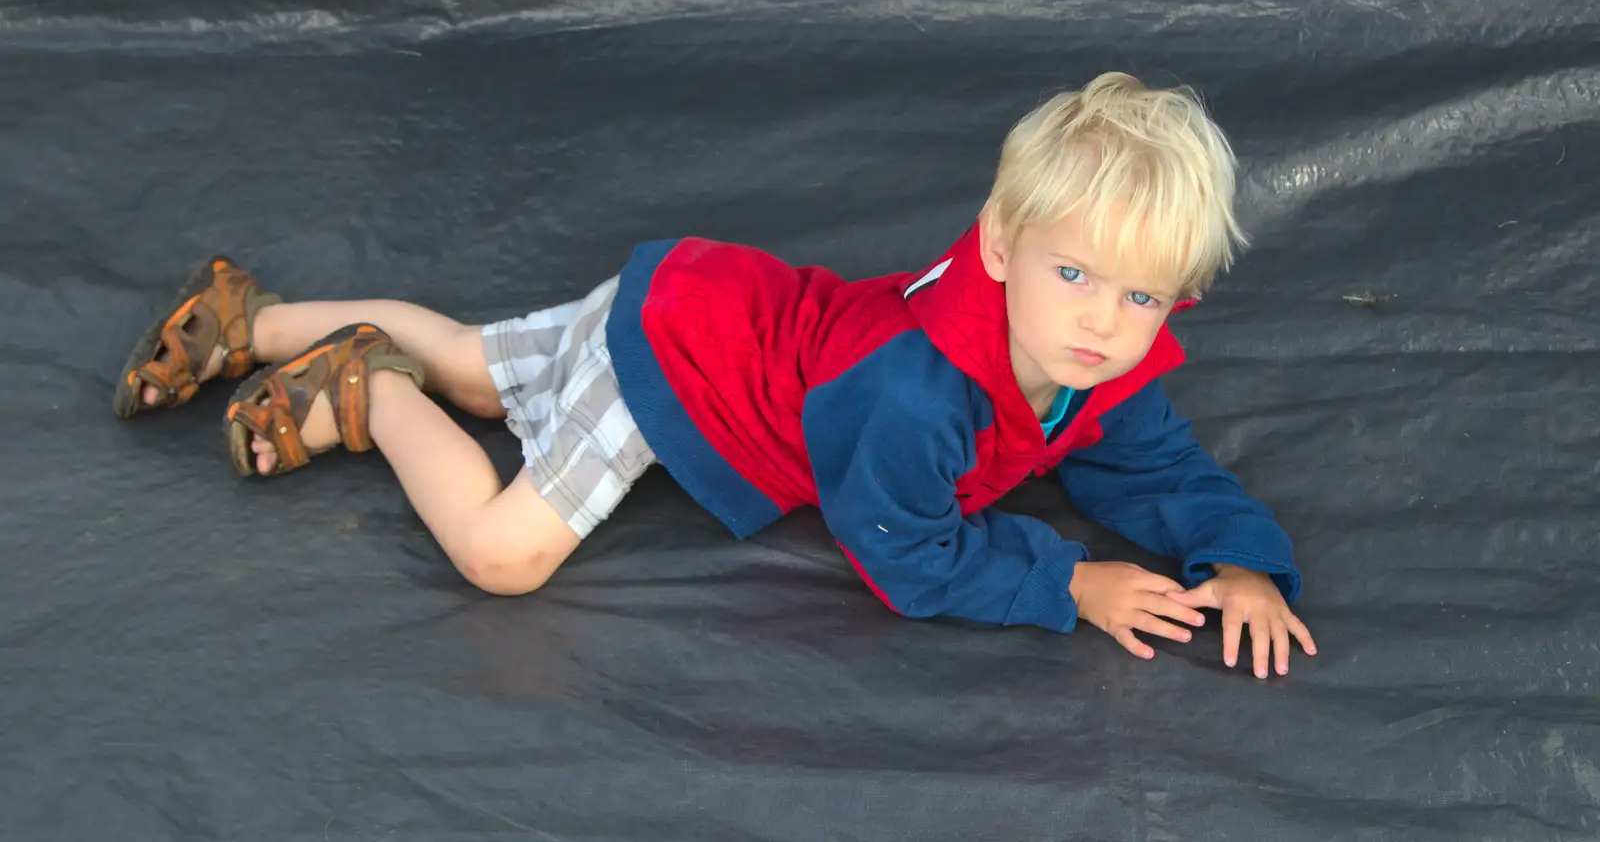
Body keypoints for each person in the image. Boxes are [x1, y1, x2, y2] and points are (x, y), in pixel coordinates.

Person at [114, 72, 1316, 678]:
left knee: (484, 373)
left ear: (1173, 299)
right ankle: (367, 390)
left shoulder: (1092, 365)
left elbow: (1153, 457)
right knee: (502, 557)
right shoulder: (916, 393)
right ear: (1000, 246)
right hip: (679, 367)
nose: (1103, 325)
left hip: (689, 293)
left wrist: (1242, 560)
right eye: (1073, 277)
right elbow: (900, 547)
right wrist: (1073, 583)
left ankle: (260, 324)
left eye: (1140, 295)